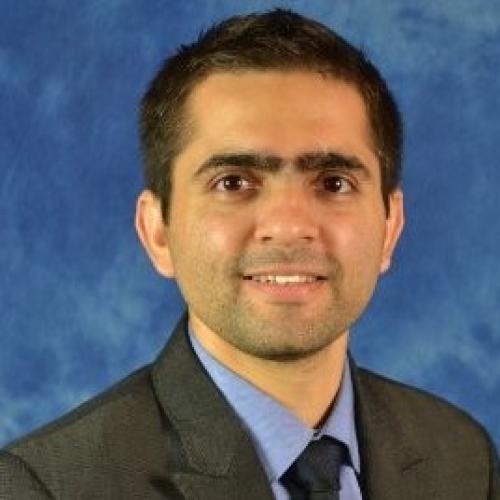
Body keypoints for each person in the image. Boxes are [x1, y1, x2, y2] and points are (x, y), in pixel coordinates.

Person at [1, 8, 498, 500]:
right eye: (233, 182)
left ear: (390, 228)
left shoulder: (460, 455)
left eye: (333, 182)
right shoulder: (47, 486)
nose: (289, 226)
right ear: (158, 233)